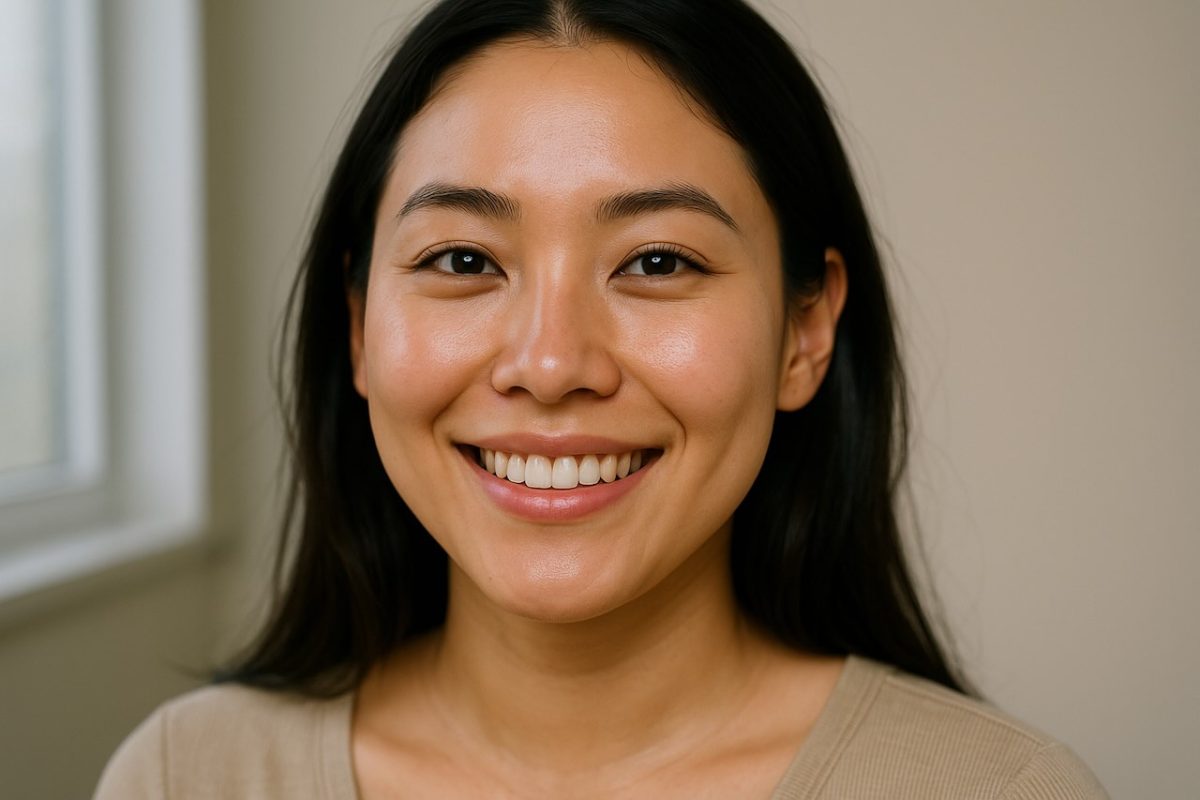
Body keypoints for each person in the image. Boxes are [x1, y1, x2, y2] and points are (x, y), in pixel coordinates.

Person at [96, 0, 1108, 797]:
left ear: (806, 330)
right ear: (359, 323)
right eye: (462, 258)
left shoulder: (1005, 791)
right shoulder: (186, 776)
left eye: (657, 259)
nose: (550, 361)